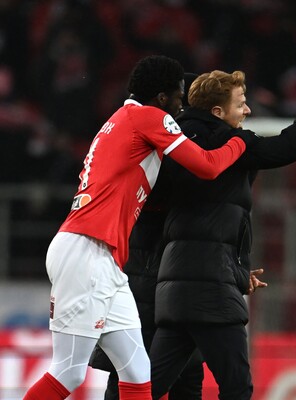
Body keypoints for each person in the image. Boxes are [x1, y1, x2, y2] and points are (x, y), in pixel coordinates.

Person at [23, 55, 256, 400]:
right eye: (178, 96)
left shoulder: (120, 119)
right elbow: (207, 166)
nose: (181, 105)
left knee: (137, 371)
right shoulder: (150, 117)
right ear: (162, 97)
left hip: (103, 257)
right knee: (68, 372)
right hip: (86, 251)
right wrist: (241, 142)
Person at [148, 70, 296, 399]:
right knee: (237, 388)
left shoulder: (172, 142)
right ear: (217, 112)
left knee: (148, 388)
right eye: (240, 104)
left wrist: (235, 271)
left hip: (174, 290)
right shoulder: (231, 143)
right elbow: (288, 146)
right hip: (213, 292)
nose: (247, 110)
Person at [88, 73, 205, 400]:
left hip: (164, 275)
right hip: (149, 273)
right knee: (132, 372)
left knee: (181, 375)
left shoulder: (155, 138)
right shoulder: (159, 143)